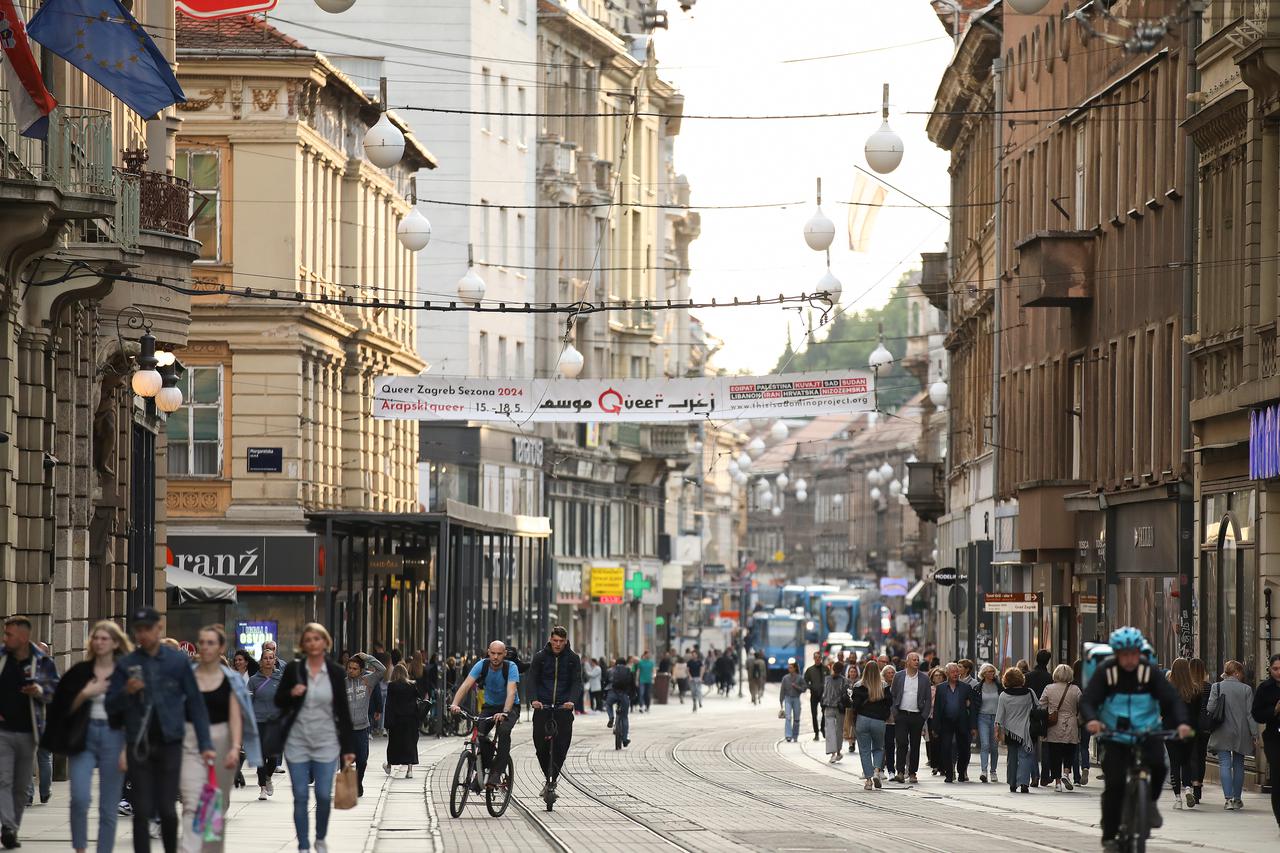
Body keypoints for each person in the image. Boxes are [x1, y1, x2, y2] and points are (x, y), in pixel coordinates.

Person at [106, 608, 213, 853]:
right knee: (142, 810)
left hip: (170, 742)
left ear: (159, 629)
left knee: (166, 808)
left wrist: (205, 744)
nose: (143, 635)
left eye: (148, 629)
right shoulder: (127, 663)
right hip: (138, 743)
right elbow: (111, 705)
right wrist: (127, 692)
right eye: (139, 630)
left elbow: (195, 703)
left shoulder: (178, 661)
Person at [1081, 627, 1191, 851]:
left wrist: (1181, 723)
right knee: (1114, 784)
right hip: (1115, 733)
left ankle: (1149, 803)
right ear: (1117, 654)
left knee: (1159, 767)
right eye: (1125, 654)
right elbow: (1088, 700)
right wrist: (1092, 719)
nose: (1130, 659)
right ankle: (1110, 835)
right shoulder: (1106, 672)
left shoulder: (1149, 672)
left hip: (1147, 730)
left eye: (1134, 654)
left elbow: (1171, 700)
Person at [41, 621, 129, 853]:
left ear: (116, 643)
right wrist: (86, 693)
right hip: (85, 735)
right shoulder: (80, 672)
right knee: (79, 798)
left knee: (108, 807)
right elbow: (62, 707)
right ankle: (80, 848)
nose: (99, 642)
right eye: (96, 638)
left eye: (104, 639)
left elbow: (136, 713)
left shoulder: (125, 674)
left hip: (115, 737)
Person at [275, 624, 358, 853]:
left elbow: (343, 711)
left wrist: (348, 748)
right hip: (297, 741)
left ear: (325, 642)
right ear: (303, 644)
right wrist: (291, 693)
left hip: (326, 742)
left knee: (323, 795)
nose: (312, 643)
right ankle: (303, 845)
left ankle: (320, 839)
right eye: (308, 639)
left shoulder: (335, 672)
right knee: (300, 795)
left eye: (317, 639)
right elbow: (278, 701)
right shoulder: (294, 670)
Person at [181, 626, 260, 853]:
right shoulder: (187, 677)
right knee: (191, 802)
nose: (205, 647)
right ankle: (189, 848)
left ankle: (210, 849)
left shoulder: (231, 680)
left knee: (214, 804)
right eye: (202, 642)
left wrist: (235, 747)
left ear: (221, 647)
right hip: (190, 742)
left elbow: (236, 717)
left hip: (221, 741)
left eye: (211, 643)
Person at [0, 617, 57, 849]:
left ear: (23, 637)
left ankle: (12, 826)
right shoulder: (1, 657)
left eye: (9, 634)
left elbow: (55, 690)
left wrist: (39, 690)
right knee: (3, 779)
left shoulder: (42, 661)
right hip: (2, 733)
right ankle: (8, 827)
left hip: (30, 731)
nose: (5, 638)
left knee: (22, 787)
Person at [449, 641, 519, 788]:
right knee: (479, 734)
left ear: (505, 654)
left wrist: (505, 712)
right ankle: (481, 771)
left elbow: (511, 691)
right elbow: (466, 685)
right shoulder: (482, 665)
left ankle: (496, 773)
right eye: (493, 653)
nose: (495, 657)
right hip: (490, 707)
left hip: (509, 707)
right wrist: (455, 703)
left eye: (499, 654)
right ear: (488, 652)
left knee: (504, 731)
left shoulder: (511, 667)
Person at [527, 626, 581, 798]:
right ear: (550, 639)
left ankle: (552, 780)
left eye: (561, 641)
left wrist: (571, 701)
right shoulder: (540, 657)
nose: (558, 644)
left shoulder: (573, 659)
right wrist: (534, 700)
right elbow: (532, 680)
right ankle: (548, 776)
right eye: (555, 641)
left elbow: (576, 682)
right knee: (540, 746)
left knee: (562, 746)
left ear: (565, 642)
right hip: (542, 707)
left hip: (563, 708)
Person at [1207, 659, 1255, 811]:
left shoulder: (1217, 686)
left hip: (1222, 730)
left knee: (1225, 764)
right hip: (1241, 732)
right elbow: (1250, 715)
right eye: (1241, 673)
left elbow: (1210, 707)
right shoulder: (1246, 689)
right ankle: (1237, 798)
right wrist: (1254, 734)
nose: (1242, 676)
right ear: (1236, 672)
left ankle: (1228, 799)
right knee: (1239, 764)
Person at [343, 652, 386, 797]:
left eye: (355, 668)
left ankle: (358, 782)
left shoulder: (368, 681)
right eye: (349, 668)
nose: (351, 671)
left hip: (362, 728)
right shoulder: (343, 683)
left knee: (362, 760)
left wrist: (367, 657)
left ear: (361, 670)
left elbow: (382, 670)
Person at [1166, 657, 1203, 809]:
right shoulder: (1195, 690)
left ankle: (1177, 798)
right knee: (1186, 761)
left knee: (1174, 763)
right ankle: (1188, 788)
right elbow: (1197, 712)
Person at [1039, 663, 1082, 792]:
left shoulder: (1049, 688)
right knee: (1070, 750)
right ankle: (1066, 773)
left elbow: (1041, 705)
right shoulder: (1075, 689)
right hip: (1071, 722)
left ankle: (1057, 783)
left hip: (1054, 723)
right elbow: (1083, 704)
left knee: (1055, 753)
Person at [890, 651, 932, 784]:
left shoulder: (924, 679)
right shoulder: (899, 676)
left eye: (917, 660)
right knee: (901, 743)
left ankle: (913, 772)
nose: (916, 662)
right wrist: (895, 712)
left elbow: (928, 699)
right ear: (907, 662)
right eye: (913, 660)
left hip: (917, 716)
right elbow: (893, 695)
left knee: (915, 745)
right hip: (901, 714)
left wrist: (923, 716)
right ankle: (900, 771)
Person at [1250, 652, 1280, 832]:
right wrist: (1274, 711)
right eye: (1275, 669)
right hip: (1274, 738)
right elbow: (1256, 714)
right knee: (1277, 775)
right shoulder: (1264, 688)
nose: (1278, 672)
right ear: (1270, 669)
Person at [248, 647, 283, 801]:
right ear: (261, 661)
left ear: (275, 660)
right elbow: (248, 701)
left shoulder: (280, 678)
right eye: (265, 658)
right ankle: (262, 786)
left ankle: (268, 776)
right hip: (259, 721)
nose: (268, 661)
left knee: (274, 756)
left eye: (271, 658)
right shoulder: (253, 680)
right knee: (261, 755)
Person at [850, 660, 891, 790]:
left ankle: (868, 780)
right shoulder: (884, 686)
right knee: (879, 748)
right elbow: (889, 703)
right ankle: (877, 771)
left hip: (863, 720)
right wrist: (884, 716)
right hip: (879, 721)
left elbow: (854, 705)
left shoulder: (858, 685)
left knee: (864, 750)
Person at [934, 663, 977, 783]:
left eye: (957, 672)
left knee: (964, 749)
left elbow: (972, 708)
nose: (955, 674)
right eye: (952, 672)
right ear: (947, 673)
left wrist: (973, 726)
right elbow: (937, 708)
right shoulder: (941, 688)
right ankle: (949, 773)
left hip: (962, 722)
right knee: (946, 748)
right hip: (946, 722)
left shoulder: (965, 687)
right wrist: (935, 727)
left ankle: (961, 771)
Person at [995, 666, 1035, 793]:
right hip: (1026, 730)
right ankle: (1024, 783)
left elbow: (999, 715)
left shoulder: (1003, 695)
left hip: (1010, 731)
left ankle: (1012, 783)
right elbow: (1038, 707)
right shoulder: (1029, 693)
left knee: (1012, 757)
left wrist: (997, 730)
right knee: (1025, 757)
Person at [382, 664, 420, 780]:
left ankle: (389, 766)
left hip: (396, 720)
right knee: (410, 744)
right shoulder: (412, 686)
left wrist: (387, 724)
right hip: (410, 719)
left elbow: (389, 705)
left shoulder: (392, 686)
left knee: (393, 743)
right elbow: (417, 701)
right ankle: (409, 770)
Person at [1025, 650, 1053, 786]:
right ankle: (1045, 776)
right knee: (1046, 745)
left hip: (1030, 713)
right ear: (1048, 661)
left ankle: (1034, 776)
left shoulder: (1028, 676)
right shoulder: (1049, 678)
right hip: (1045, 713)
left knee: (1032, 746)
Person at [1188, 657, 1213, 805]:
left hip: (1191, 725)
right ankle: (1198, 788)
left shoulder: (1189, 687)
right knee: (1201, 756)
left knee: (1192, 756)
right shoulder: (1208, 687)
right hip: (1204, 726)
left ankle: (1193, 784)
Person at [975, 663, 1001, 783]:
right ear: (983, 674)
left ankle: (993, 771)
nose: (991, 673)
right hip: (983, 717)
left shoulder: (999, 686)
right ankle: (984, 770)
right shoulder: (978, 687)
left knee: (994, 746)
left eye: (992, 671)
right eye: (989, 671)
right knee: (985, 744)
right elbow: (975, 704)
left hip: (996, 718)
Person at [820, 661, 849, 763]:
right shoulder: (844, 681)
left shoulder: (827, 679)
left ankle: (833, 753)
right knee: (838, 730)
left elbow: (824, 693)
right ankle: (837, 752)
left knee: (830, 730)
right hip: (839, 708)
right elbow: (846, 694)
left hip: (828, 707)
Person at [604, 657, 633, 748]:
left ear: (616, 663)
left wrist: (604, 694)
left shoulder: (610, 671)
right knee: (624, 717)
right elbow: (632, 684)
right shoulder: (628, 671)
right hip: (624, 695)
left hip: (612, 693)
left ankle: (611, 717)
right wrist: (632, 695)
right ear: (625, 664)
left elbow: (604, 682)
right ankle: (625, 739)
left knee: (608, 705)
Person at [924, 666, 947, 776]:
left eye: (940, 676)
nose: (938, 678)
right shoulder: (929, 689)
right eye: (936, 676)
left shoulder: (946, 688)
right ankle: (935, 765)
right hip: (932, 718)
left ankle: (943, 766)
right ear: (932, 678)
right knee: (933, 742)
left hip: (944, 718)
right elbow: (928, 704)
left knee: (944, 742)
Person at [779, 661, 806, 742]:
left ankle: (795, 735)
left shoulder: (799, 678)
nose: (789, 669)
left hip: (796, 699)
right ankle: (788, 735)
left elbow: (804, 688)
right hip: (787, 699)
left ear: (794, 668)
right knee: (788, 717)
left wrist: (797, 687)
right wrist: (781, 701)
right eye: (789, 667)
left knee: (796, 719)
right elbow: (782, 690)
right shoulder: (785, 678)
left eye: (791, 667)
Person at [803, 652, 826, 742]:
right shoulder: (810, 670)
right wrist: (810, 687)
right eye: (816, 657)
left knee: (825, 712)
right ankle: (816, 732)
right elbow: (805, 681)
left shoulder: (825, 669)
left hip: (823, 695)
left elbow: (828, 680)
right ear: (814, 658)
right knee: (814, 714)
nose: (817, 659)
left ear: (821, 658)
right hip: (814, 694)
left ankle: (823, 728)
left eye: (819, 657)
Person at [880, 664, 897, 779]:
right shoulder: (881, 687)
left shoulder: (897, 687)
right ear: (884, 675)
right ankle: (880, 768)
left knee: (892, 746)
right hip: (883, 720)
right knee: (883, 746)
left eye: (892, 673)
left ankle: (891, 770)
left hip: (895, 720)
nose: (891, 675)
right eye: (888, 673)